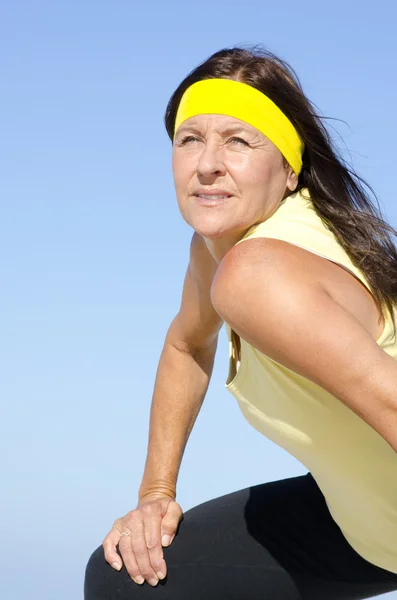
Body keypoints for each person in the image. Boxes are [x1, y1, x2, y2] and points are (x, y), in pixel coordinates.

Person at [84, 46, 397, 599]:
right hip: (362, 526)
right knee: (127, 577)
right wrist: (157, 492)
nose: (207, 163)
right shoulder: (216, 254)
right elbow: (186, 344)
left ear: (290, 169)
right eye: (190, 139)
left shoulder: (256, 274)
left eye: (238, 141)